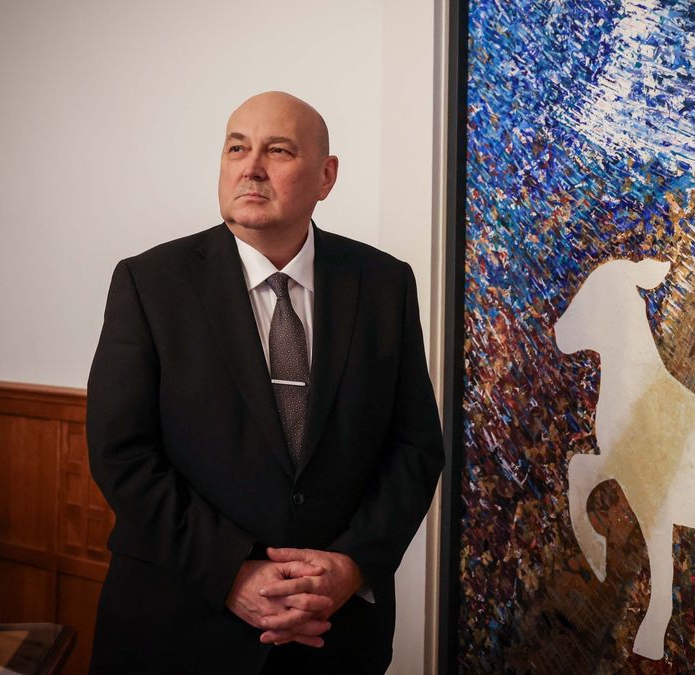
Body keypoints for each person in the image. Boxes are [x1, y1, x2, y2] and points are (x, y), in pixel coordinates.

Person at [86, 91, 444, 674]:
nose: (250, 167)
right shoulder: (149, 283)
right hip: (177, 629)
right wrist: (231, 572)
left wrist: (352, 565)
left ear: (326, 176)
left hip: (332, 636)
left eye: (277, 151)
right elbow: (121, 453)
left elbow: (415, 447)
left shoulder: (384, 284)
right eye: (236, 148)